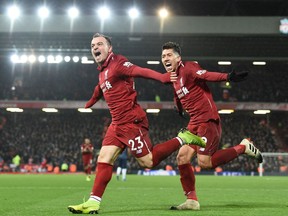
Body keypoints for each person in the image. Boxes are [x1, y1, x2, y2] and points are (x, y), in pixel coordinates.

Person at [67, 33, 206, 214]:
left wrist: (162, 77)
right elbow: (99, 88)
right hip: (116, 124)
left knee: (148, 162)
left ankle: (183, 138)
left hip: (132, 122)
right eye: (92, 45)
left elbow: (140, 71)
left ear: (109, 48)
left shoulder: (118, 63)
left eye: (99, 44)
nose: (95, 47)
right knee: (104, 158)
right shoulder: (102, 71)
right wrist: (91, 102)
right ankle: (93, 202)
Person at [160, 41, 263, 211]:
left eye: (169, 55)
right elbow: (178, 95)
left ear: (179, 58)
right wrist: (178, 108)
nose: (165, 58)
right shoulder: (173, 78)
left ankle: (242, 148)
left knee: (205, 163)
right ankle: (191, 200)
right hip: (194, 122)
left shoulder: (189, 67)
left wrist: (228, 77)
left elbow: (206, 75)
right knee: (182, 157)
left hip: (207, 120)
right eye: (163, 56)